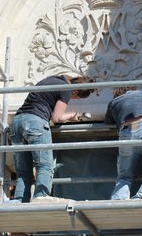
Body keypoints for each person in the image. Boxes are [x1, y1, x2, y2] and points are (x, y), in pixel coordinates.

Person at [10, 74, 93, 203]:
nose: (72, 98)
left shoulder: (51, 79)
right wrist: (71, 116)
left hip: (16, 123)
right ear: (75, 91)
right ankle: (41, 197)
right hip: (35, 123)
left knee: (23, 170)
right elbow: (56, 118)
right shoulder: (66, 88)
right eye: (74, 97)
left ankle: (19, 201)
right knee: (45, 165)